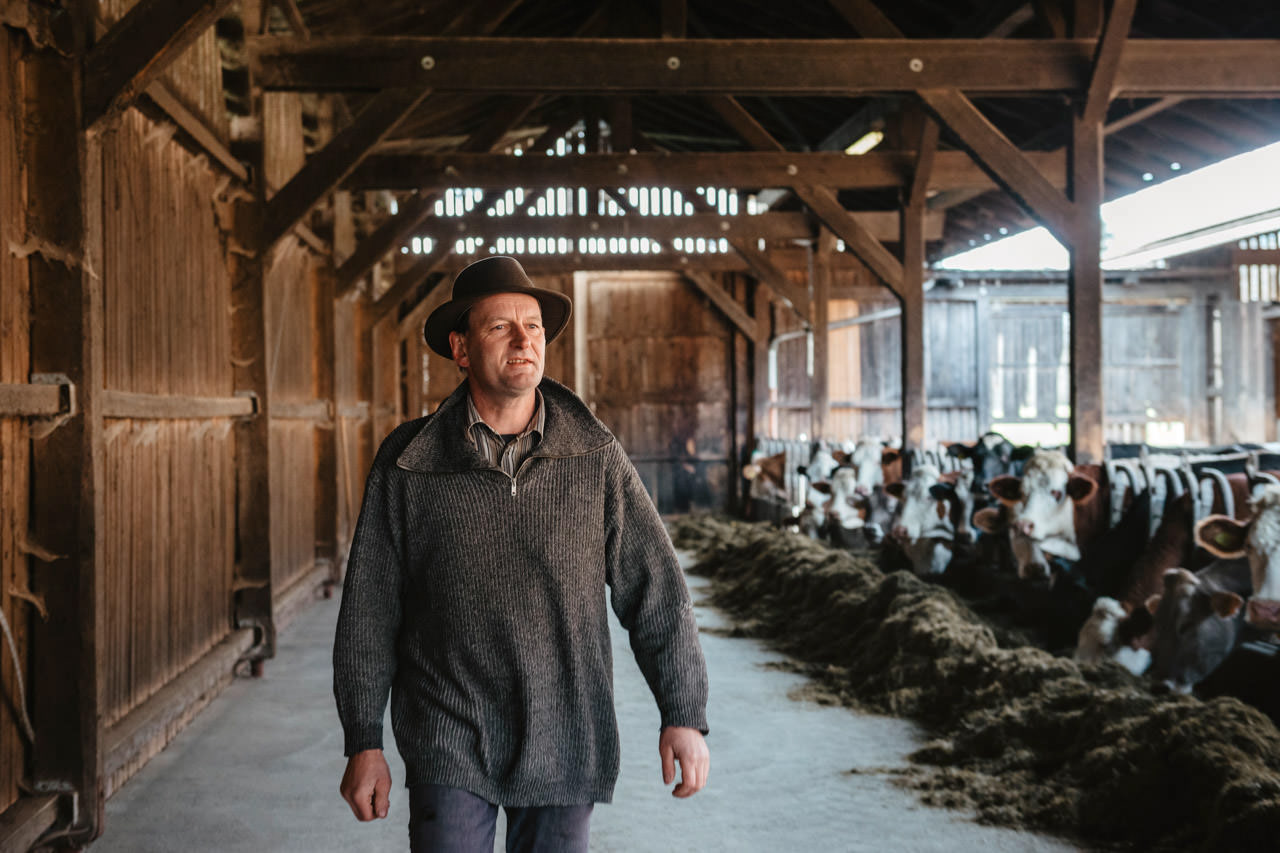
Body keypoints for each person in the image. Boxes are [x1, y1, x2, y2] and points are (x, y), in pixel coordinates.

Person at [333, 255, 710, 852]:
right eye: (498, 326)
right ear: (461, 349)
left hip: (565, 727)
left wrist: (683, 713)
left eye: (533, 326)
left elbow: (655, 589)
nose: (522, 340)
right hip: (447, 727)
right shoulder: (409, 461)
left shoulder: (593, 456)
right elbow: (369, 610)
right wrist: (364, 740)